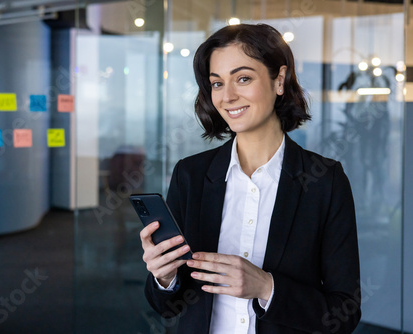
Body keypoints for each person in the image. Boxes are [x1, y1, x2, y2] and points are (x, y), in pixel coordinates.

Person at [139, 23, 361, 334]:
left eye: (243, 78)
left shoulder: (325, 181)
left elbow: (344, 314)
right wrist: (164, 278)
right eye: (217, 83)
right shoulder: (191, 175)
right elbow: (167, 307)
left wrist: (267, 287)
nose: (227, 96)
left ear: (279, 80)